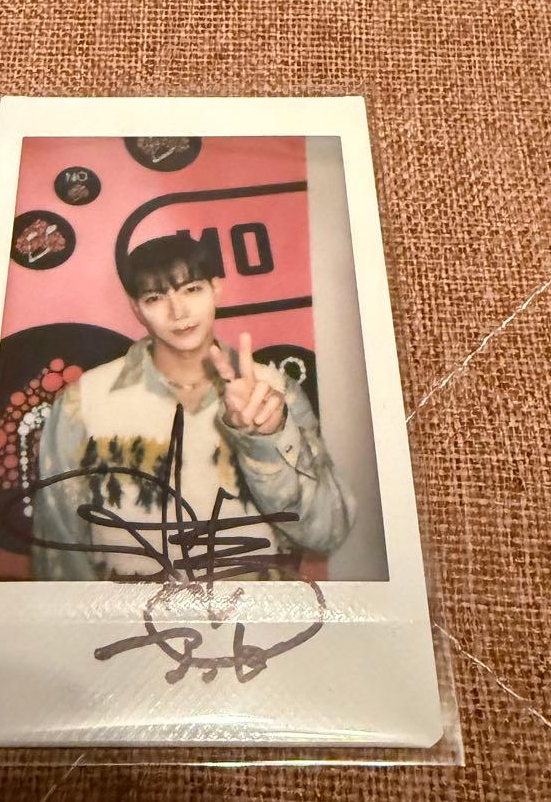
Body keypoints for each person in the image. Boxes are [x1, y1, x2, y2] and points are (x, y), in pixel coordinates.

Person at [30, 233, 355, 580]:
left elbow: (327, 534)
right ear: (136, 308)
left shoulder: (274, 391)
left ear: (217, 288)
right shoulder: (84, 400)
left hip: (251, 608)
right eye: (155, 298)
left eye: (192, 289)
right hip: (130, 611)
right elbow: (59, 551)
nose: (178, 312)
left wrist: (266, 439)